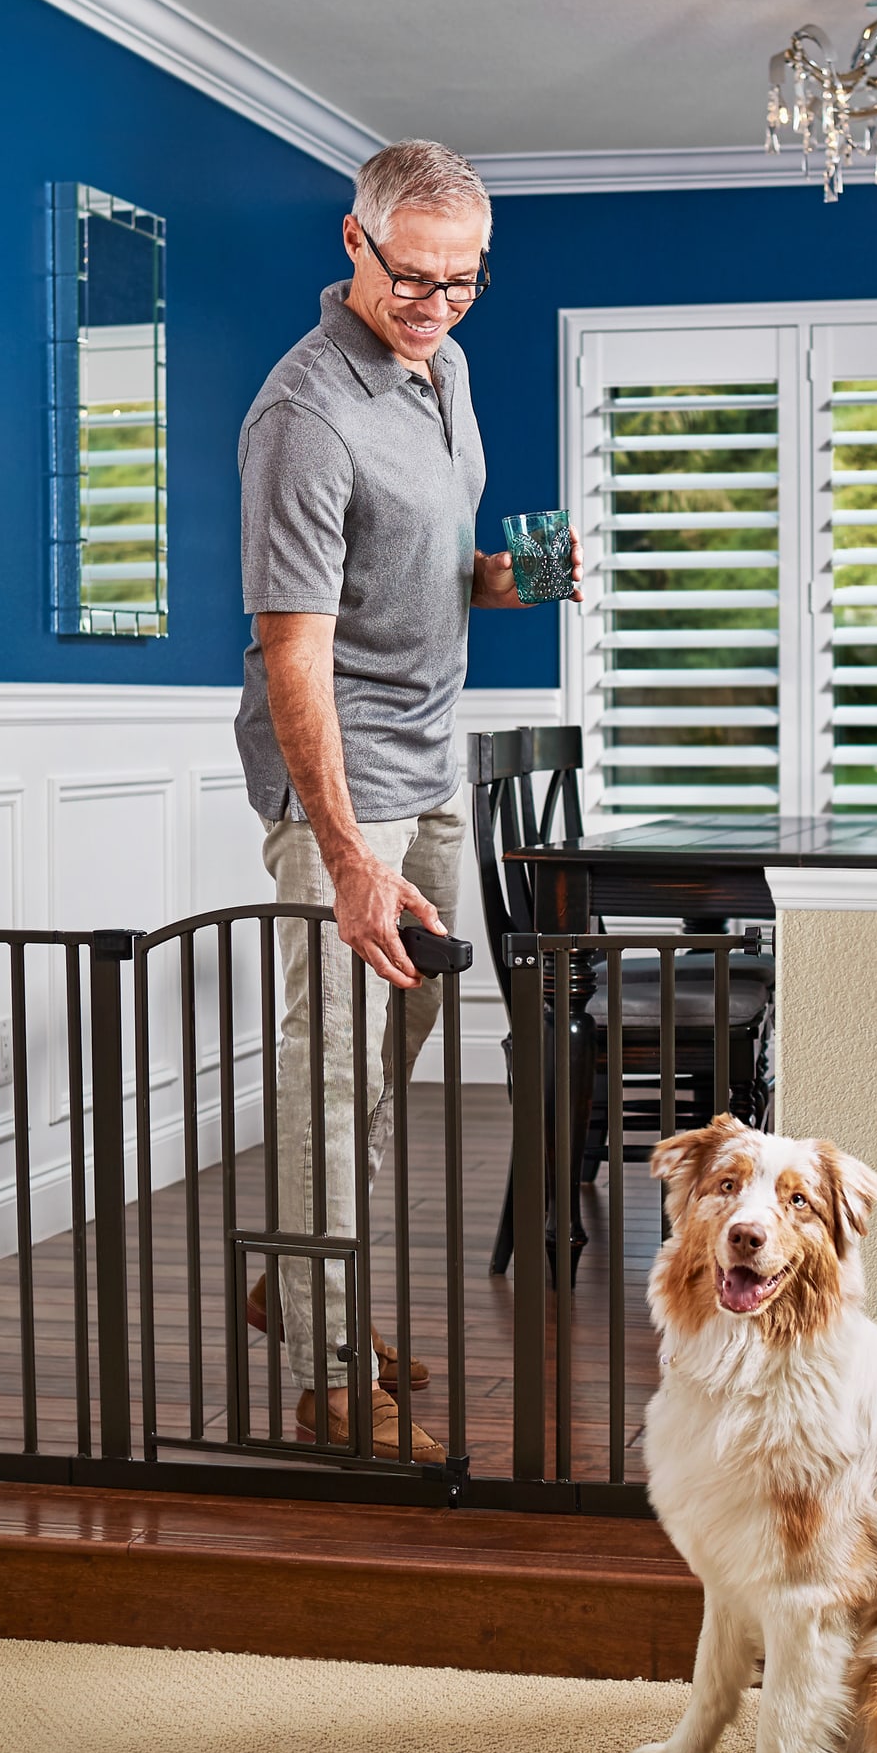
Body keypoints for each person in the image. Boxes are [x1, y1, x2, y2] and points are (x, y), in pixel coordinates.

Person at [235, 140, 580, 1460]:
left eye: (462, 279)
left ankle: (300, 1286)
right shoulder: (305, 416)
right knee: (332, 1074)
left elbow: (438, 573)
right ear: (352, 243)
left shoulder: (447, 369)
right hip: (347, 789)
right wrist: (345, 859)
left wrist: (526, 576)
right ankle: (330, 1379)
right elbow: (294, 649)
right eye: (410, 274)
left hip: (434, 759)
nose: (434, 300)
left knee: (381, 1064)